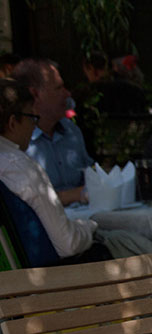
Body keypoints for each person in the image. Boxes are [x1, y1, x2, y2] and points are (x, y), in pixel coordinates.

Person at [0, 79, 106, 263]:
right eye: (31, 118)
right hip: (54, 275)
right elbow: (69, 244)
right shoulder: (19, 166)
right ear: (12, 123)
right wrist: (91, 227)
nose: (34, 125)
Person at [12, 58, 94, 206]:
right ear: (35, 94)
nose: (67, 94)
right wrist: (74, 195)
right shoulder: (17, 141)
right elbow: (24, 201)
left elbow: (90, 175)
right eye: (59, 88)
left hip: (87, 221)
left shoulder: (71, 130)